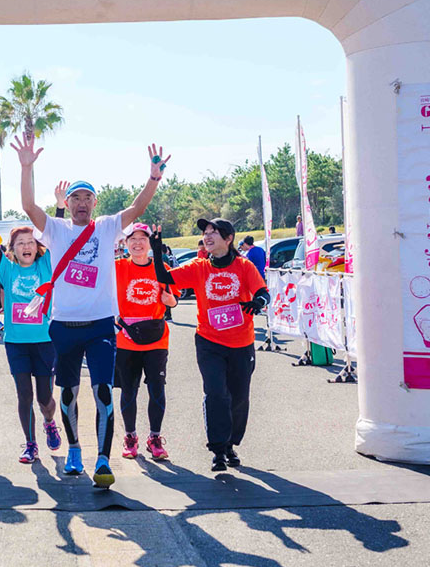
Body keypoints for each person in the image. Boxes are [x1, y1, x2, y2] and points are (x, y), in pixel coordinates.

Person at [14, 132, 170, 489]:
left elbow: (137, 209)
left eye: (87, 198)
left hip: (100, 325)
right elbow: (29, 207)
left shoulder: (107, 227)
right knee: (68, 393)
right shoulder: (55, 229)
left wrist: (153, 178)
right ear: (68, 203)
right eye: (76, 198)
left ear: (95, 203)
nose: (82, 203)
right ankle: (74, 450)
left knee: (102, 392)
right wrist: (26, 168)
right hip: (64, 326)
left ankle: (102, 458)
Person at [152, 218, 270, 472]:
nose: (207, 236)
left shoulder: (244, 266)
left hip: (241, 342)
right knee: (216, 393)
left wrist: (258, 303)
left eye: (213, 232)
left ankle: (230, 444)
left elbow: (263, 292)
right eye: (205, 232)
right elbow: (164, 276)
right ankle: (218, 449)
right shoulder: (199, 267)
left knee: (238, 397)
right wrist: (156, 250)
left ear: (228, 238)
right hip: (209, 341)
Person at [0, 189, 63, 463]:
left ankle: (49, 422)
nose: (26, 246)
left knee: (44, 398)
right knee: (24, 395)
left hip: (45, 341)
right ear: (13, 250)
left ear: (37, 247)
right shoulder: (7, 270)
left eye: (30, 242)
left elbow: (55, 238)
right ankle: (30, 444)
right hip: (16, 343)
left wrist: (59, 209)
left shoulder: (46, 265)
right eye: (20, 243)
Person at [114, 223, 178, 461]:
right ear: (125, 243)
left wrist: (170, 301)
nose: (138, 243)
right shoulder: (117, 267)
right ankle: (130, 437)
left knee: (157, 389)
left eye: (143, 238)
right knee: (129, 390)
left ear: (150, 243)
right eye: (133, 239)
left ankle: (155, 438)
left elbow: (173, 301)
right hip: (126, 339)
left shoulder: (162, 268)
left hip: (156, 339)